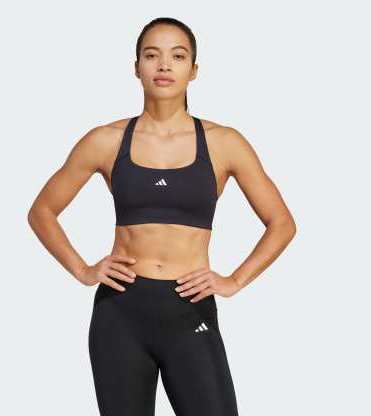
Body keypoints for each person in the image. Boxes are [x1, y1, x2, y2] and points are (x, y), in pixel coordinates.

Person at [27, 17, 296, 416]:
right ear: (137, 68)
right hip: (120, 313)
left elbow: (282, 223)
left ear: (194, 70)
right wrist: (83, 270)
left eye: (178, 56)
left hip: (189, 308)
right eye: (152, 55)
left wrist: (234, 280)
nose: (164, 65)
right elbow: (42, 211)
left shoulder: (224, 143)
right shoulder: (105, 140)